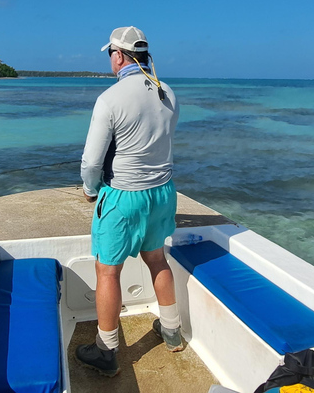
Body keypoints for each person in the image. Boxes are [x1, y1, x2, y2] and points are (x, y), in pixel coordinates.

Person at [76, 26, 182, 378]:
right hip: (163, 193)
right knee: (157, 258)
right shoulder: (167, 93)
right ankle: (171, 331)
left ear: (118, 56)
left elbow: (92, 162)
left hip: (124, 197)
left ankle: (106, 351)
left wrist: (91, 190)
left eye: (110, 54)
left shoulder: (111, 98)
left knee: (108, 270)